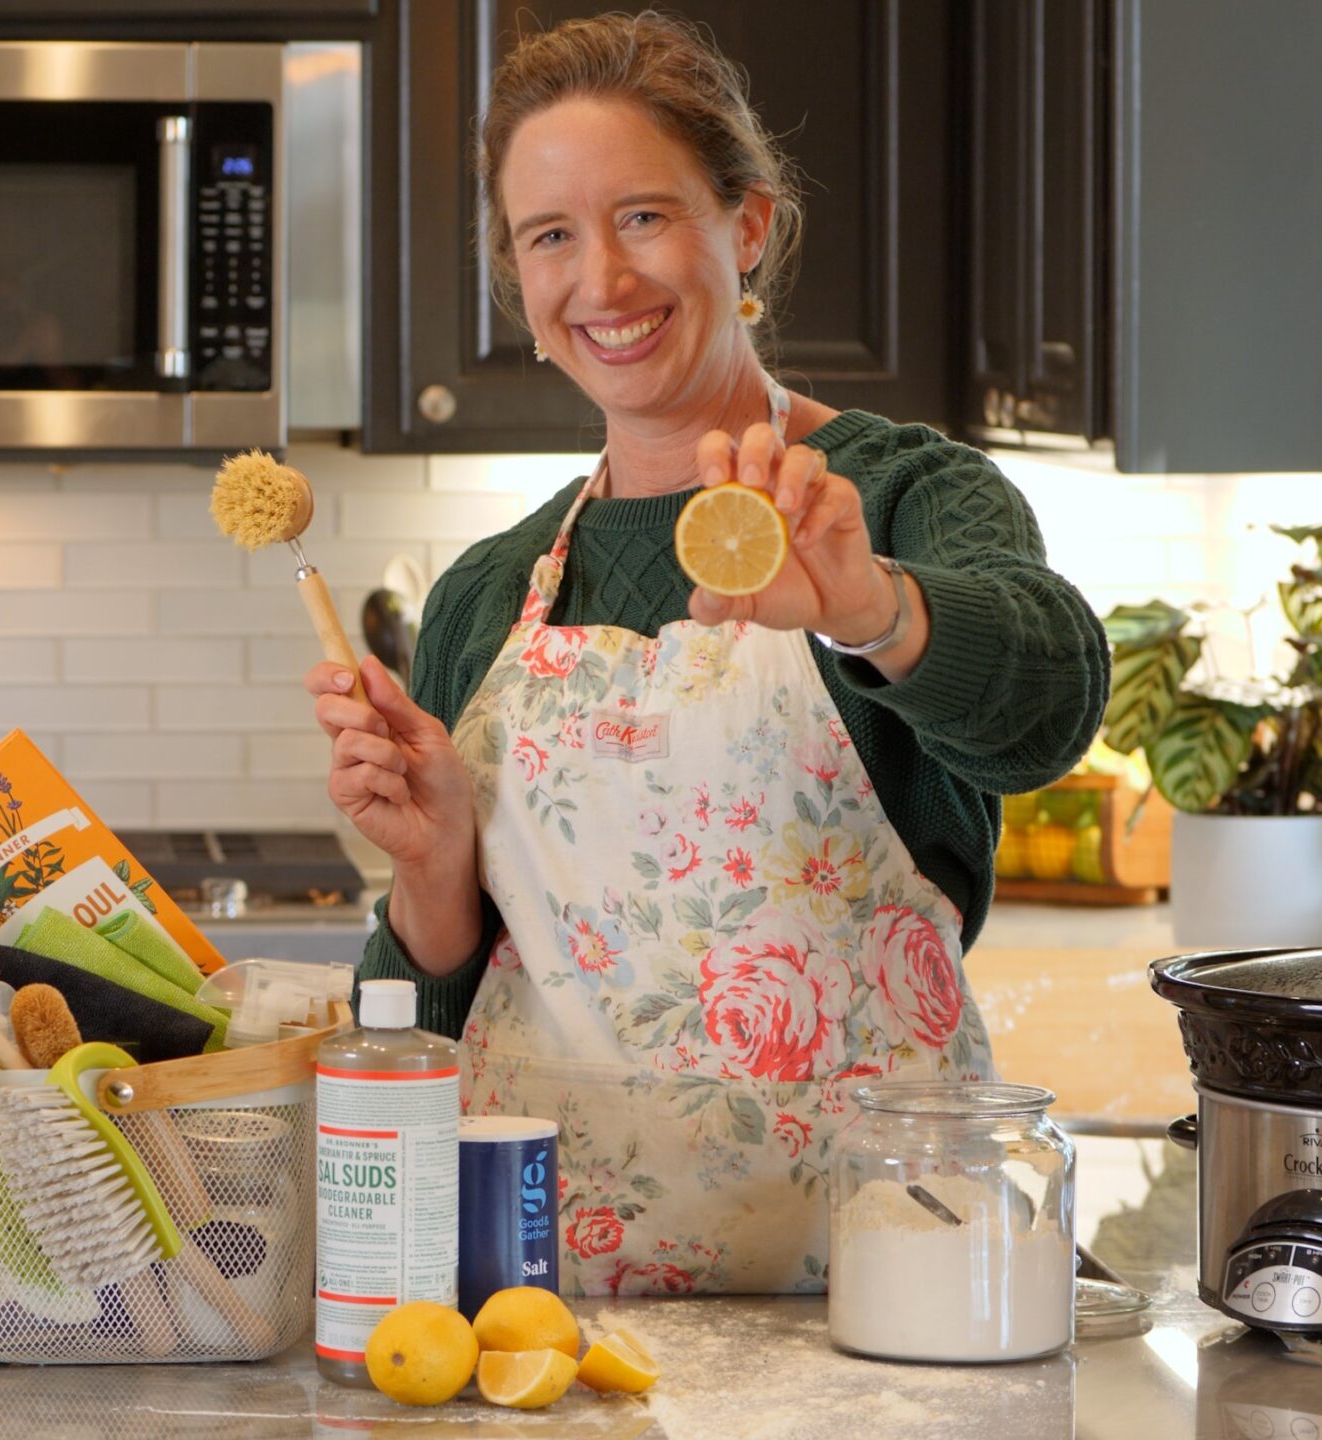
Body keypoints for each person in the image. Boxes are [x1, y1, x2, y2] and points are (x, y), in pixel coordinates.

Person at [307, 12, 1109, 1296]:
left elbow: (1046, 708)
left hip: (888, 1292)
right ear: (518, 281)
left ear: (746, 227)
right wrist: (433, 869)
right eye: (549, 236)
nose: (603, 283)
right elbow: (428, 1023)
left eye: (643, 217)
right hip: (548, 1314)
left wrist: (870, 609)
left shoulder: (897, 500)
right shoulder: (486, 594)